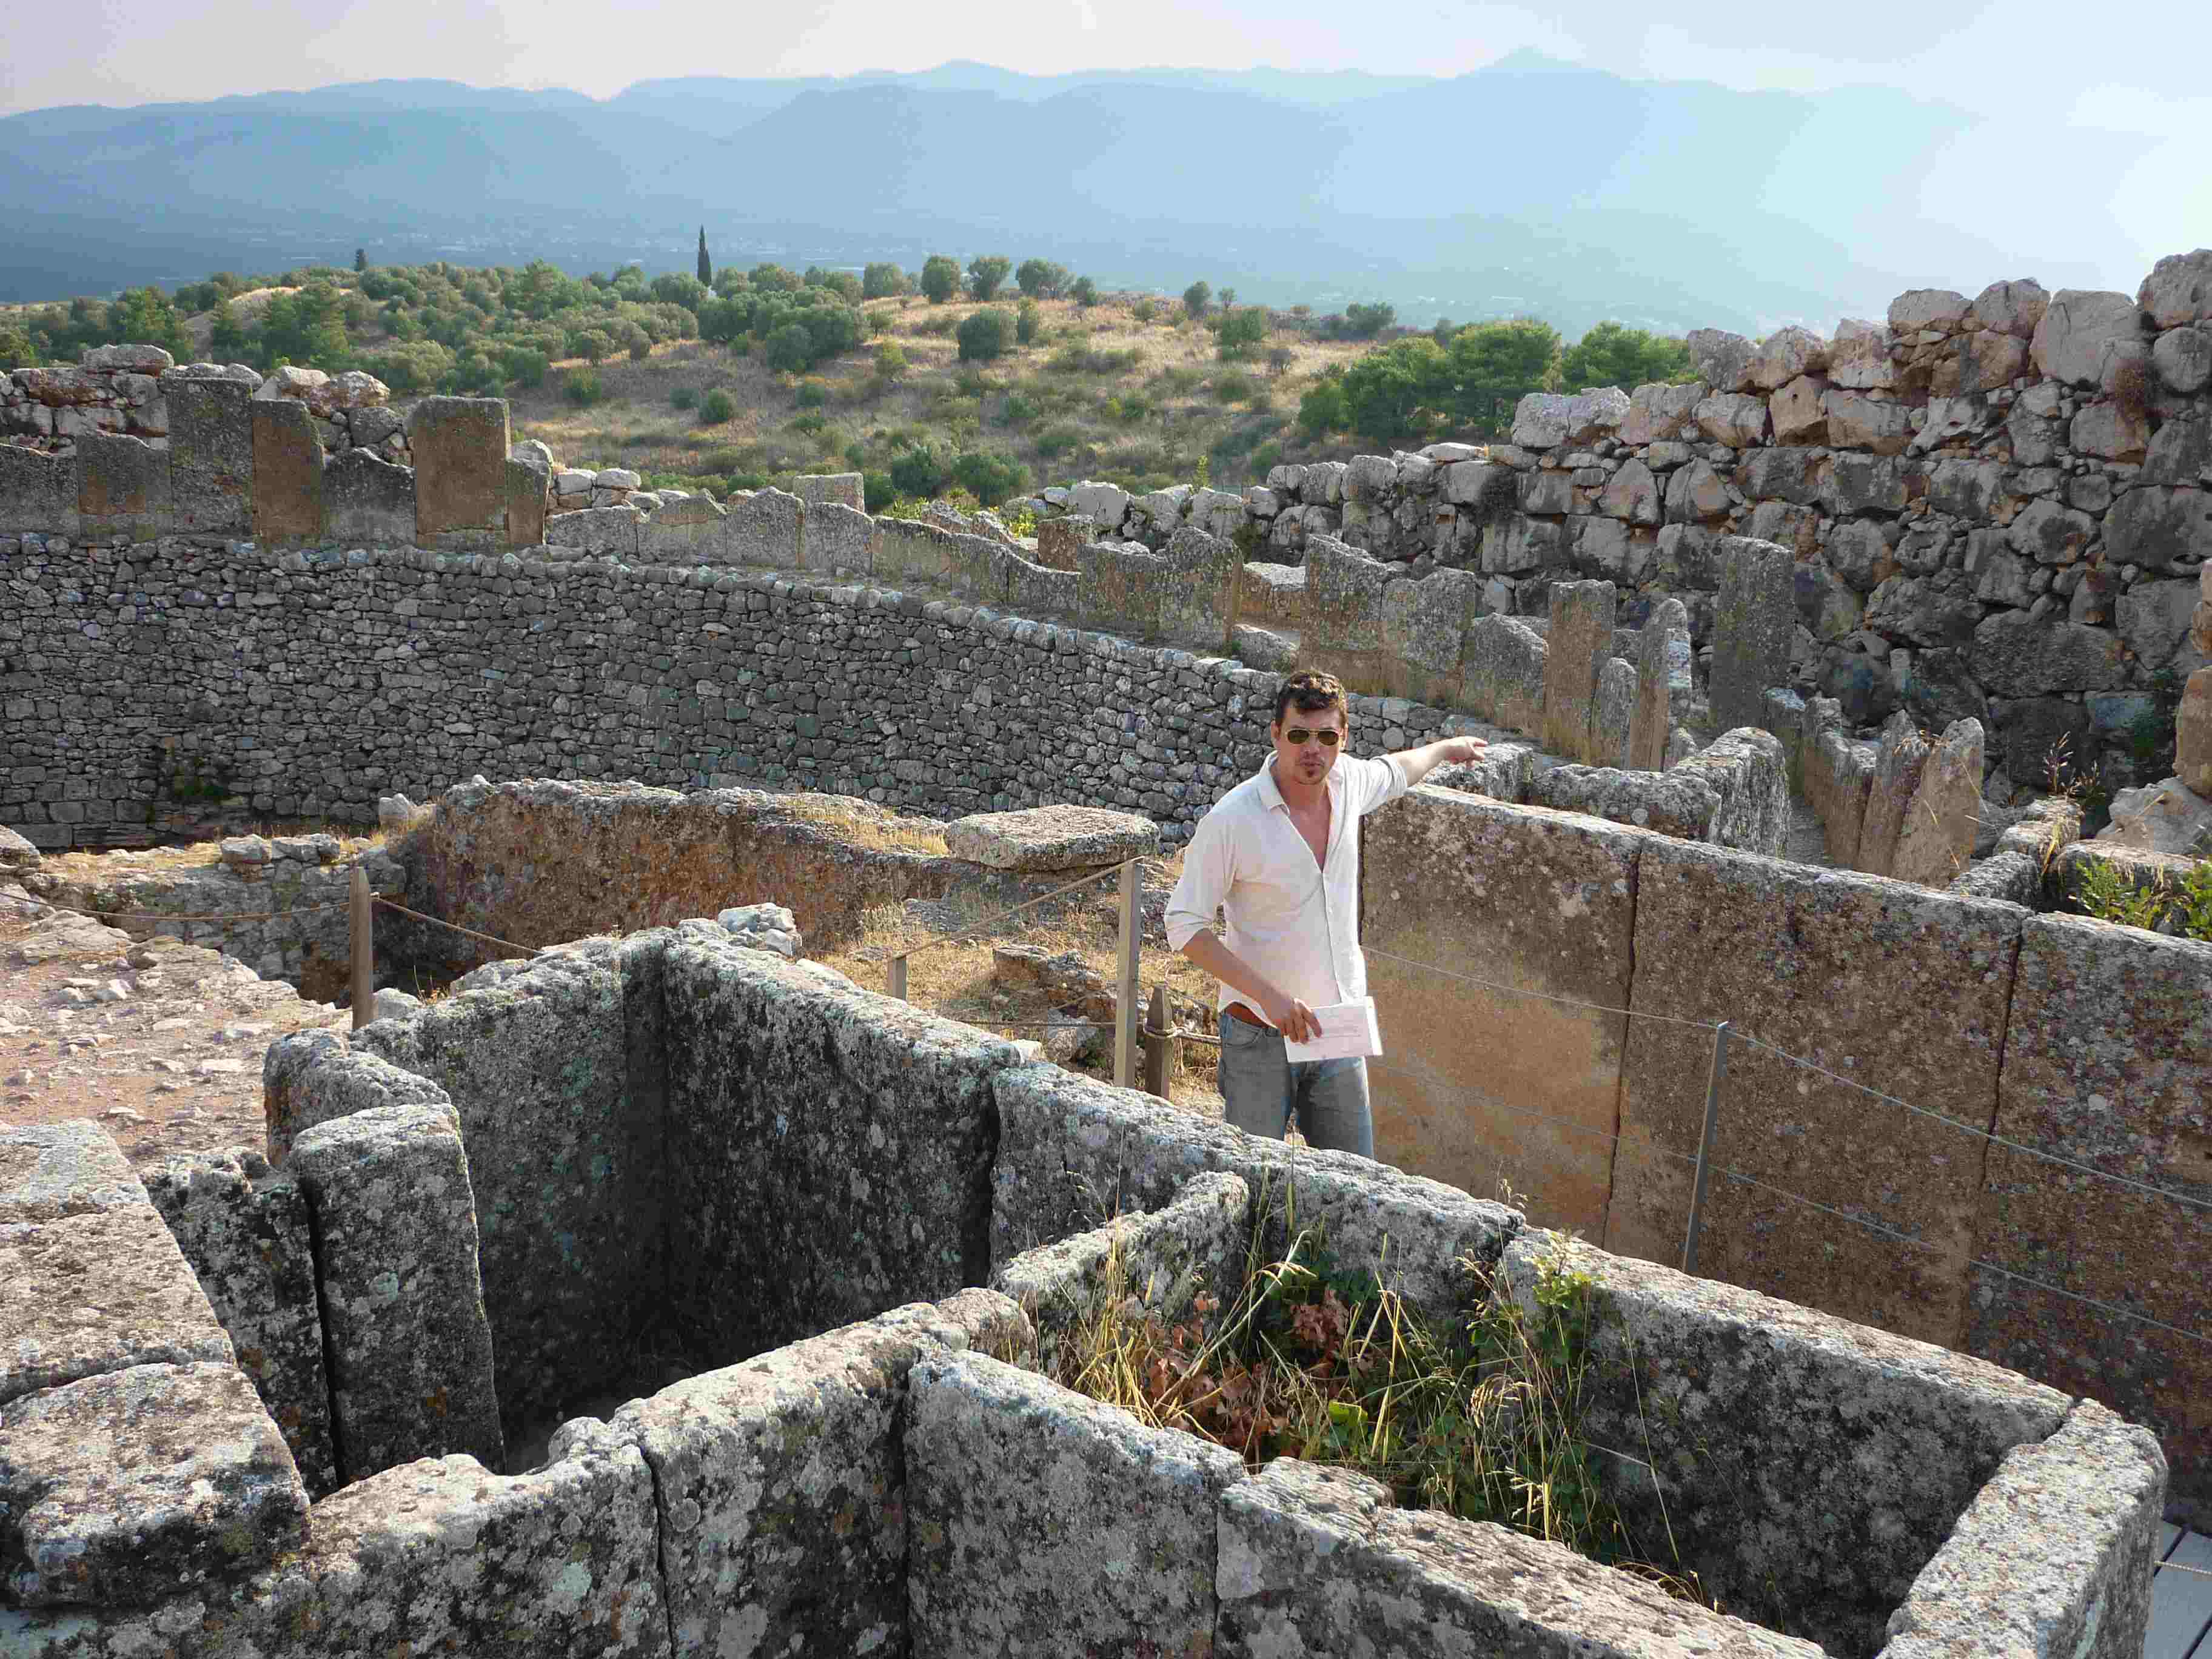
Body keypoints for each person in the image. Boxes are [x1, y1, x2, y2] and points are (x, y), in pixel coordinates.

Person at [1164, 669, 1487, 1157]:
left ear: (1343, 738)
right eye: (1298, 735)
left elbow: (1398, 769)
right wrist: (1270, 998)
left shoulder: (1350, 782)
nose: (1311, 750)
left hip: (1338, 1030)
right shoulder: (1233, 820)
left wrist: (1447, 748)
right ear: (1276, 734)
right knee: (1257, 1185)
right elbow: (1184, 924)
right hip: (1260, 1034)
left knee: (1356, 1182)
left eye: (1326, 737)